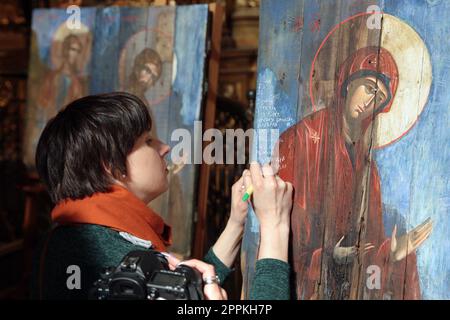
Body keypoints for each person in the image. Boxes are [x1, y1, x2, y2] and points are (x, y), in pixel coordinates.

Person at [31, 92, 293, 300]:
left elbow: (184, 288)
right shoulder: (101, 253)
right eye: (147, 141)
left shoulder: (86, 234)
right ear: (110, 165)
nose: (165, 148)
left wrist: (236, 222)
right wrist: (275, 227)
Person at [275, 46, 432, 299]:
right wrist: (327, 257)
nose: (370, 102)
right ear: (349, 83)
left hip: (343, 286)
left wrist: (390, 252)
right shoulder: (302, 138)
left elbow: (367, 244)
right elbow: (277, 224)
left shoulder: (368, 169)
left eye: (379, 98)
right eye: (369, 88)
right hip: (299, 282)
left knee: (407, 260)